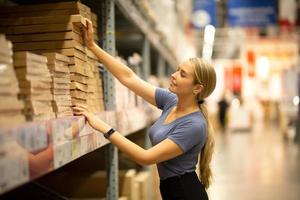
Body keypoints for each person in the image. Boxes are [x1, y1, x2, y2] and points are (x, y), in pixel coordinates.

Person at [73, 19, 216, 200]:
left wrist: (104, 127)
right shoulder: (171, 101)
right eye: (177, 69)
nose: (173, 75)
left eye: (182, 74)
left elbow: (145, 157)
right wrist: (92, 46)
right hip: (172, 189)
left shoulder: (195, 125)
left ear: (197, 88)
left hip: (184, 193)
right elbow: (129, 78)